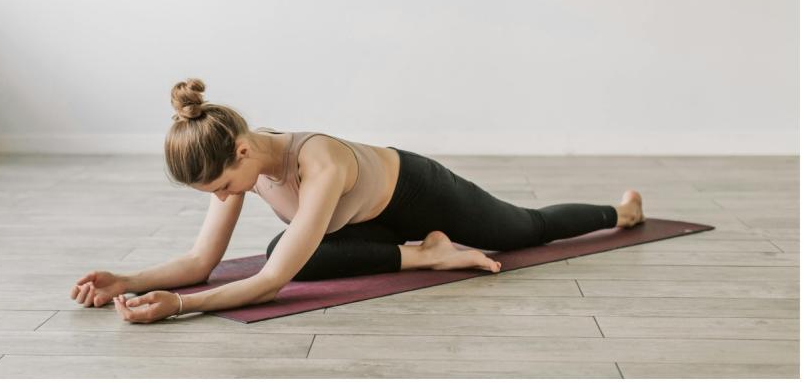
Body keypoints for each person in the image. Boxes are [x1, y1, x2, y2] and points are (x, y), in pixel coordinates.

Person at [71, 78, 646, 324]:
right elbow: (200, 264)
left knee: (524, 229)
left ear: (242, 152)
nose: (223, 198)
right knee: (286, 246)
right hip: (369, 221)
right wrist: (130, 279)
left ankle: (622, 213)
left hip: (420, 193)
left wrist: (180, 307)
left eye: (221, 187)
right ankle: (427, 256)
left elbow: (270, 284)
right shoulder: (240, 163)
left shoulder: (318, 162)